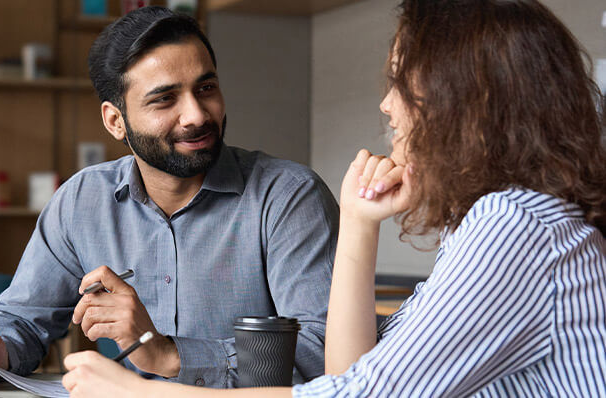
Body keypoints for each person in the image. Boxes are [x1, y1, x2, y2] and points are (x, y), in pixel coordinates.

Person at [60, 0, 606, 396]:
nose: (388, 106)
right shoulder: (502, 222)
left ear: (463, 98)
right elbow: (350, 374)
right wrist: (360, 224)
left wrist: (140, 391)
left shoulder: (515, 225)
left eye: (402, 81)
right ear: (116, 121)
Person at [0, 7, 338, 389]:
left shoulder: (288, 196)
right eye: (165, 99)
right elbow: (23, 316)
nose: (196, 114)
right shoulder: (82, 200)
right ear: (115, 121)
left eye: (206, 87)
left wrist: (170, 355)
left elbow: (328, 353)